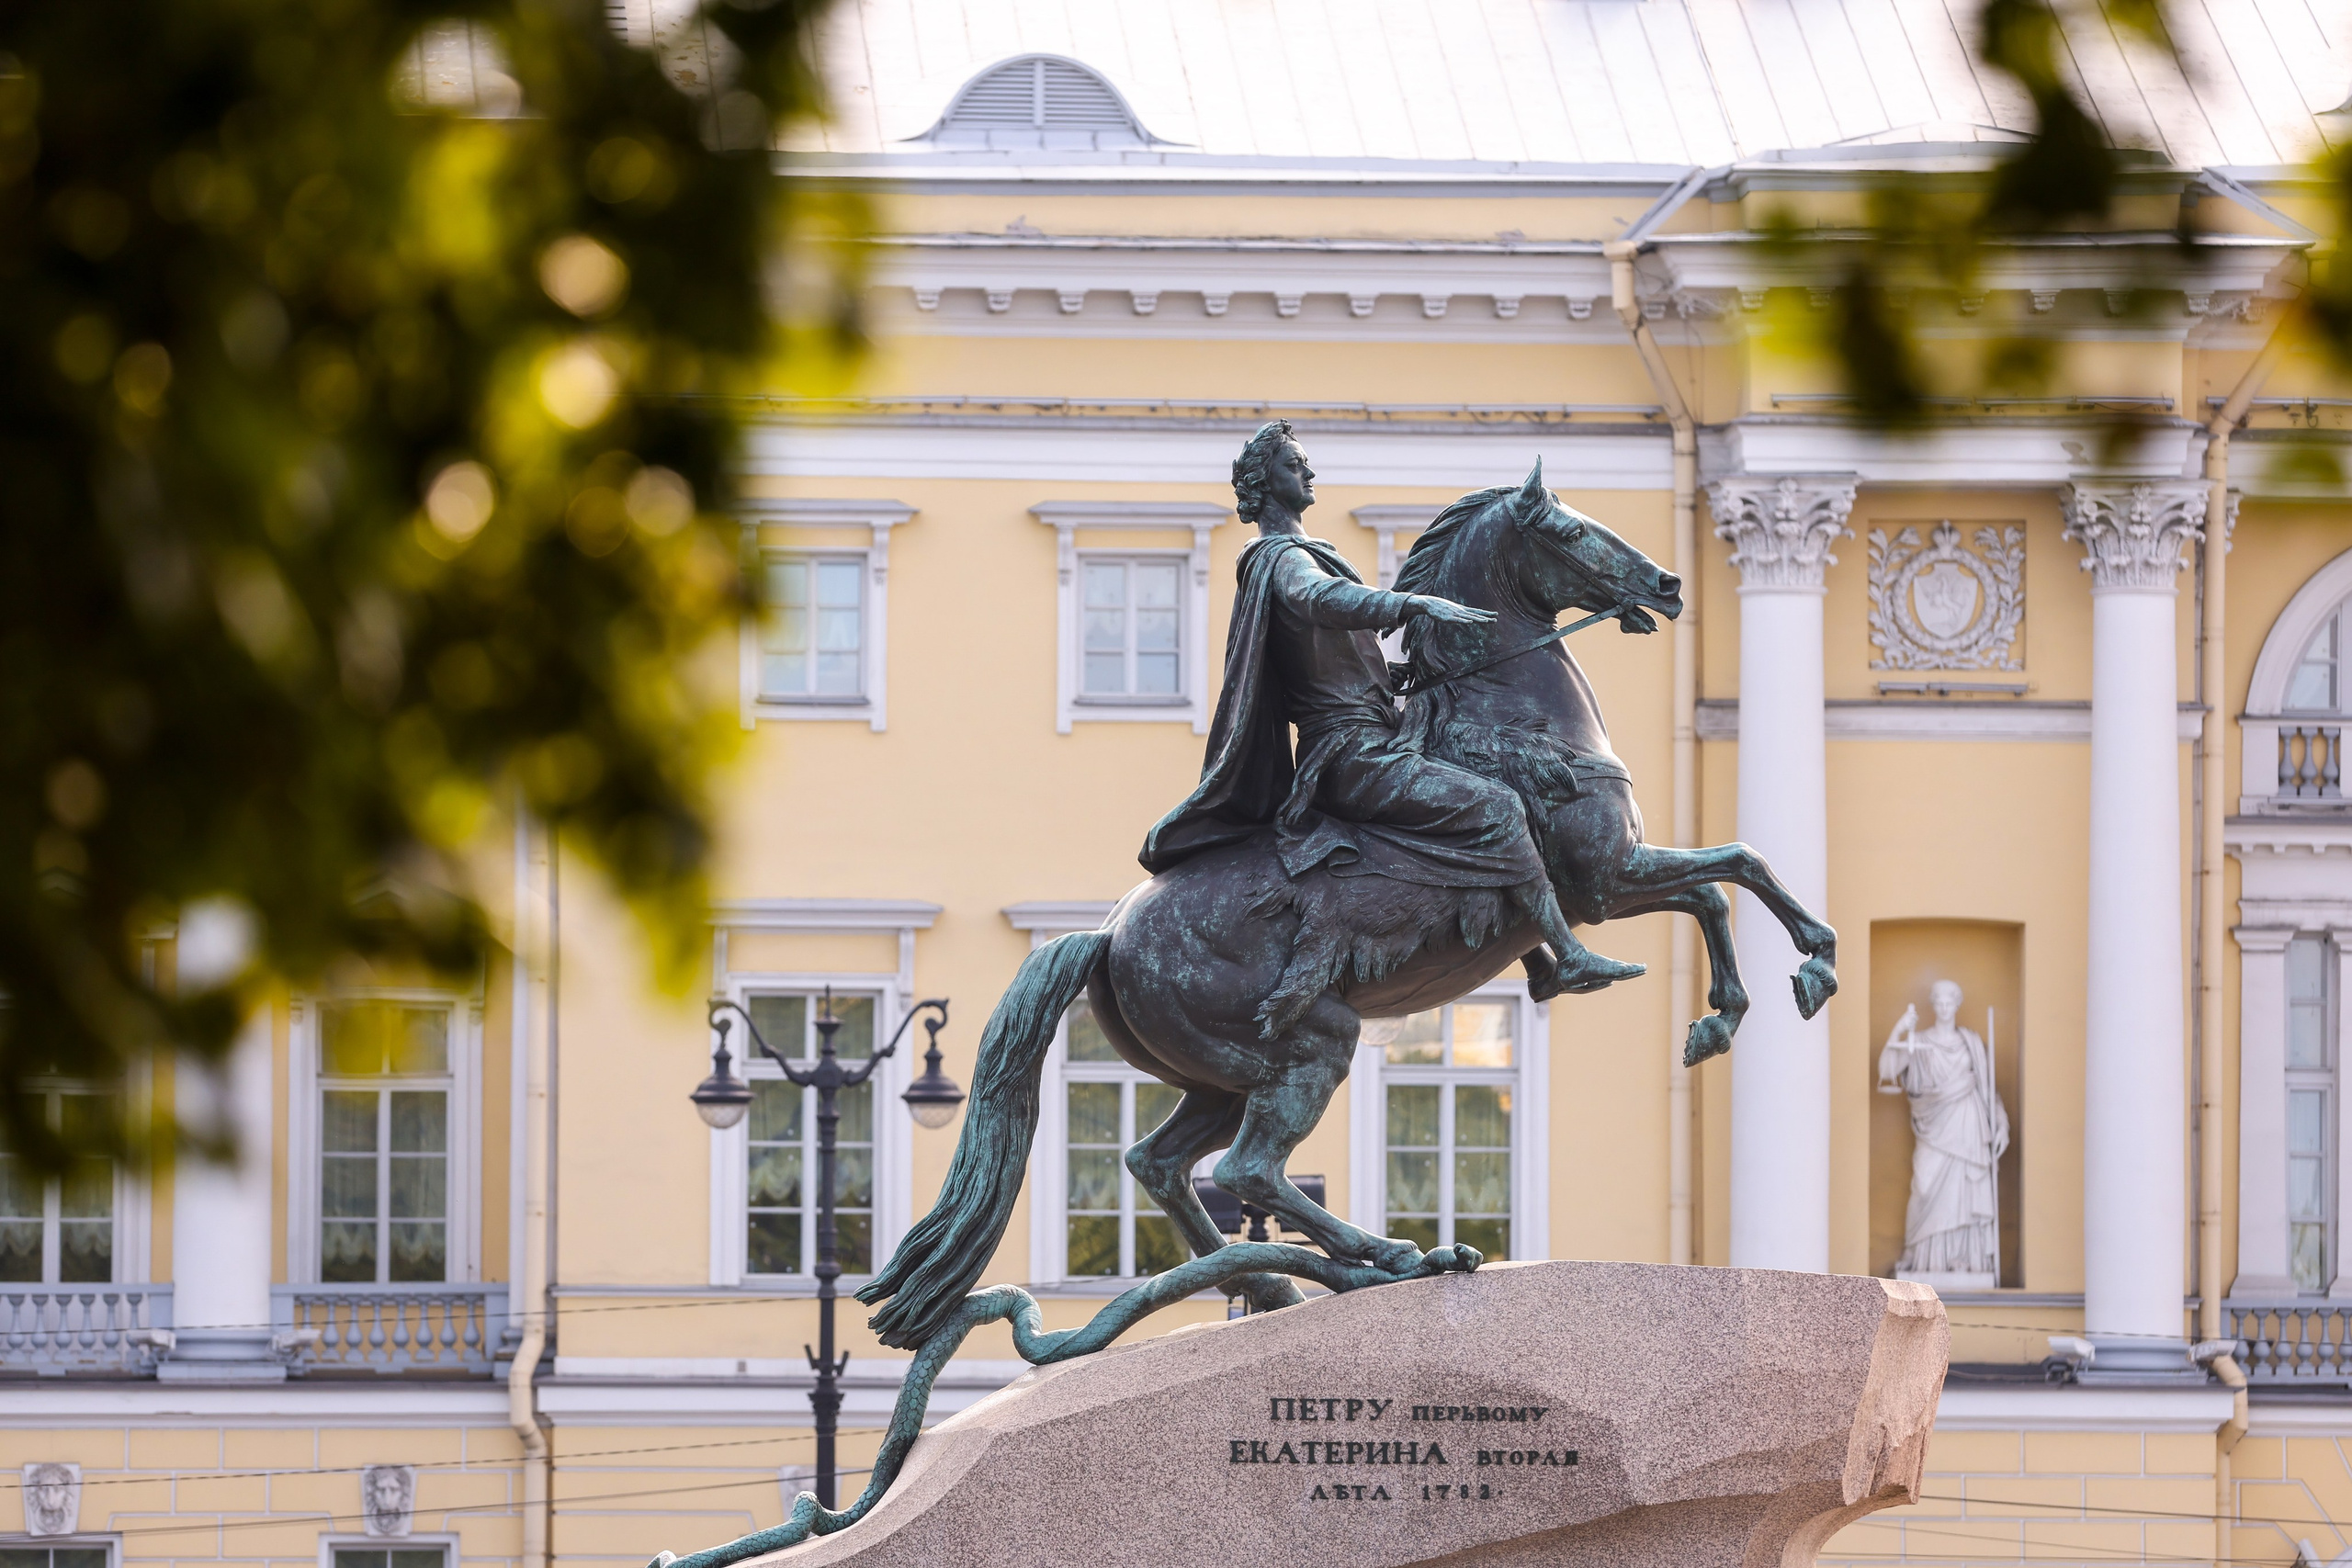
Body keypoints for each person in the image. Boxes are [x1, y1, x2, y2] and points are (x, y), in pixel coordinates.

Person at [1141, 420, 1641, 999]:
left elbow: (1334, 661)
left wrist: (1397, 675)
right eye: (1293, 465)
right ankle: (1565, 957)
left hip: (1377, 734)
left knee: (1497, 787)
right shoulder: (1279, 558)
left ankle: (1537, 958)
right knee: (1500, 809)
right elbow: (1318, 597)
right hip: (1352, 755)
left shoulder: (1307, 553)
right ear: (1263, 483)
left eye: (1304, 462)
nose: (1308, 472)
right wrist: (1411, 604)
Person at [1878, 979, 2009, 1279]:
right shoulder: (1919, 1041)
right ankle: (1923, 1256)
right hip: (1933, 1125)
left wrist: (2001, 1122)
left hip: (1968, 1122)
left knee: (1966, 1187)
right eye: (1939, 1002)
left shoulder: (1971, 1043)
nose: (1945, 1007)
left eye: (1950, 1002)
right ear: (1933, 1005)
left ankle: (1963, 1258)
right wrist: (1900, 1029)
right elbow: (1887, 1070)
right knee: (1924, 1187)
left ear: (1957, 1005)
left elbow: (1988, 1090)